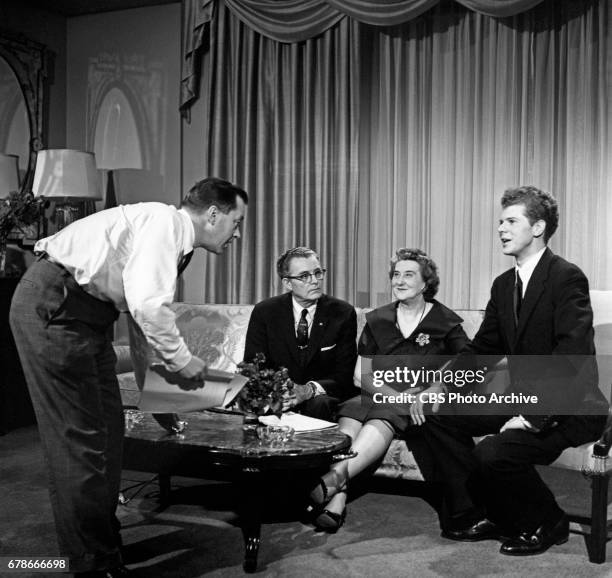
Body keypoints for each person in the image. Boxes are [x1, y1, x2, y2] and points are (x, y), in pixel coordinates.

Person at [9, 177, 248, 577]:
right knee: (80, 442)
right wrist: (182, 362)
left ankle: (101, 543)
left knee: (108, 433)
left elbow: (140, 323)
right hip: (56, 308)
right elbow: (149, 309)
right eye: (236, 221)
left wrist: (154, 397)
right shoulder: (163, 225)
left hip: (86, 317)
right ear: (212, 214)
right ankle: (92, 563)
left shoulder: (173, 238)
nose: (237, 233)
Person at [410, 186, 608, 556]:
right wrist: (441, 385)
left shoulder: (566, 277)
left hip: (570, 407)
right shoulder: (504, 285)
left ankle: (548, 521)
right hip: (521, 395)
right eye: (500, 221)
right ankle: (479, 513)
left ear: (538, 228)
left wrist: (532, 417)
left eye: (511, 221)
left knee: (493, 452)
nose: (501, 228)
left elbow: (572, 356)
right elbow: (483, 348)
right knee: (437, 418)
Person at [309, 248, 470, 532]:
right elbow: (362, 375)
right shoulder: (378, 319)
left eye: (409, 275)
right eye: (396, 274)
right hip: (378, 395)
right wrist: (394, 396)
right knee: (353, 411)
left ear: (426, 283)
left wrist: (435, 387)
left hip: (412, 404)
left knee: (383, 411)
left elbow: (468, 364)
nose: (400, 280)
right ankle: (338, 496)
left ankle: (329, 483)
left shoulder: (446, 322)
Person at [243, 247, 357, 421]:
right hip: (279, 395)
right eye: (304, 276)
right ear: (288, 283)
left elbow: (344, 374)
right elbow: (254, 365)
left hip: (320, 397)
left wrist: (309, 390)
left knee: (321, 404)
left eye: (318, 273)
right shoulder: (265, 312)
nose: (315, 281)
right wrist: (280, 391)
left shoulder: (342, 313)